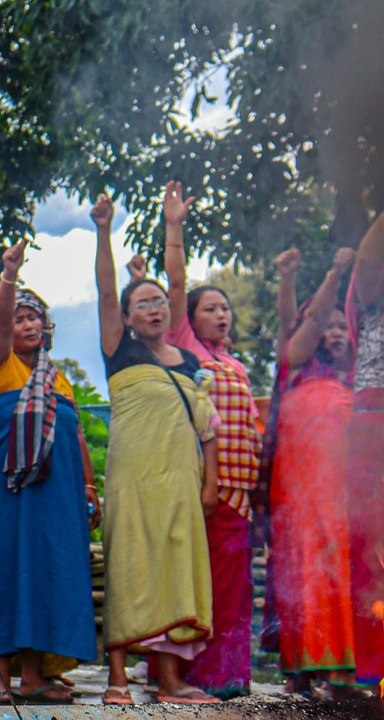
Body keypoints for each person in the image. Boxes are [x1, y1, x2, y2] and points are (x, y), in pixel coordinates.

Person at [92, 194, 220, 706]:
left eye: (159, 301)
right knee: (129, 567)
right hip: (132, 478)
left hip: (182, 482)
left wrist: (209, 483)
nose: (154, 306)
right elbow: (105, 289)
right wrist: (104, 230)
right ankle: (118, 680)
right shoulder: (118, 350)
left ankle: (169, 683)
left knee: (172, 570)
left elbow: (207, 428)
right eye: (141, 302)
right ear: (125, 316)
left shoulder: (190, 360)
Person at [0, 239, 98, 705]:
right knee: (2, 572)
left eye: (35, 316)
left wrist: (88, 483)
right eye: (20, 317)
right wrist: (9, 276)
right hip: (1, 491)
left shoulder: (56, 377)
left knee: (44, 572)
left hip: (53, 495)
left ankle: (34, 677)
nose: (27, 323)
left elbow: (76, 434)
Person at [160, 182, 259, 699]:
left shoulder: (237, 365)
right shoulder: (188, 352)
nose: (221, 315)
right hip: (203, 488)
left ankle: (232, 672)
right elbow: (176, 285)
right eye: (210, 308)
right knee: (205, 583)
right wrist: (174, 227)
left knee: (235, 587)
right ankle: (199, 673)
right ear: (191, 321)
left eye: (226, 308)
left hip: (241, 495)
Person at [270, 247, 358, 697]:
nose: (336, 333)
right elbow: (302, 320)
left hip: (342, 494)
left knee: (341, 571)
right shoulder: (296, 365)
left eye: (344, 328)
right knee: (302, 568)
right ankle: (307, 669)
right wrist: (336, 273)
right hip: (302, 489)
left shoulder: (355, 379)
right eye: (327, 326)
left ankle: (338, 669)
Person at [347, 210, 384, 685]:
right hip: (374, 422)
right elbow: (369, 258)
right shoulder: (371, 300)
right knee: (372, 545)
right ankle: (373, 669)